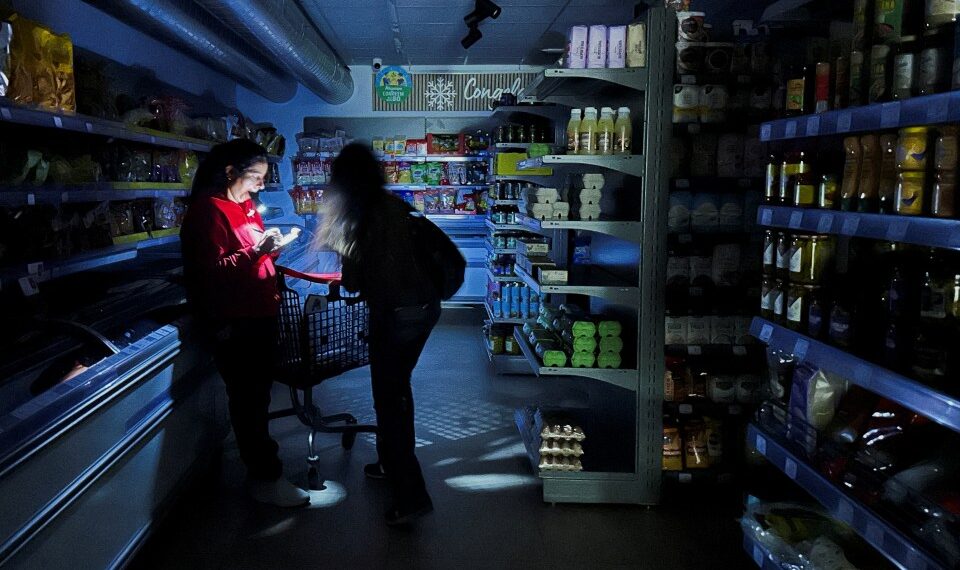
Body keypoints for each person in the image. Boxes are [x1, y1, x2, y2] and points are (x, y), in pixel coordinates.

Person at [316, 143, 441, 526]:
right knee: (398, 391)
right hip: (424, 310)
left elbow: (353, 282)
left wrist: (339, 248)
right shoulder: (393, 205)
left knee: (390, 402)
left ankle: (412, 496)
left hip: (394, 318)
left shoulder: (357, 216)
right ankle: (389, 465)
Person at [180, 139, 309, 508]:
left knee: (258, 396)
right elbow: (210, 272)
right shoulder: (208, 211)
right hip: (236, 321)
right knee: (248, 400)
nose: (260, 185)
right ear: (230, 172)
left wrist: (272, 247)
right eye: (255, 177)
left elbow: (250, 253)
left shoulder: (245, 205)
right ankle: (265, 477)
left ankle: (263, 470)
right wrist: (257, 252)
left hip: (260, 313)